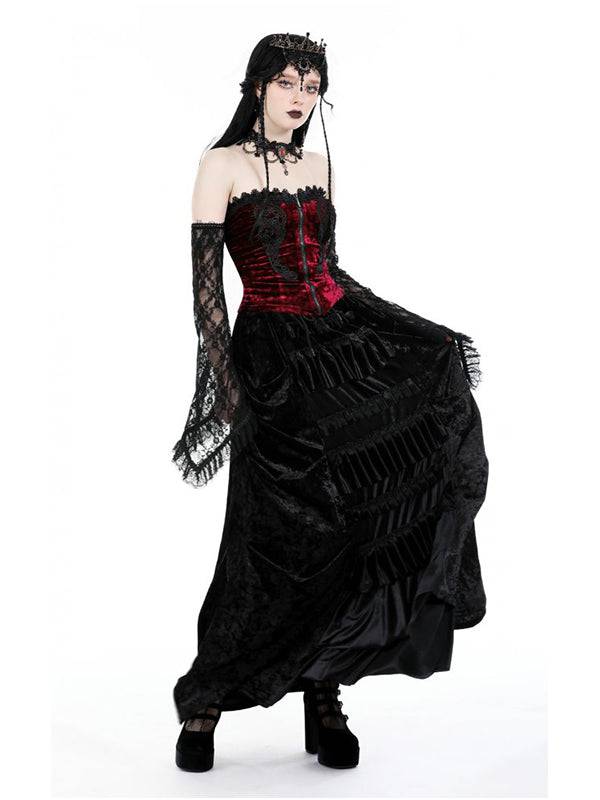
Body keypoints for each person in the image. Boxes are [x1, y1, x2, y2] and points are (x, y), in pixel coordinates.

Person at [171, 32, 489, 772]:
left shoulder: (320, 166)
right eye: (287, 82)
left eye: (311, 86)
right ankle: (206, 699)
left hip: (333, 353)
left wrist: (419, 334)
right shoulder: (220, 165)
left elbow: (331, 272)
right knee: (263, 538)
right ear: (257, 86)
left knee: (349, 526)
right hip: (268, 360)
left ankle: (323, 694)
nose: (300, 97)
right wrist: (229, 386)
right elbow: (207, 292)